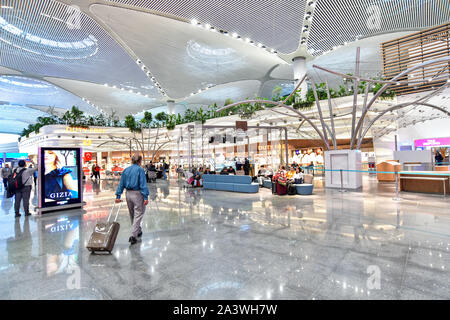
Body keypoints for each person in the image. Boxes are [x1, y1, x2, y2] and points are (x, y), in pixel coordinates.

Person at [115, 154, 149, 245]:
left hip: (128, 194)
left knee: (132, 214)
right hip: (137, 194)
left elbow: (121, 184)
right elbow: (143, 184)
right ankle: (133, 236)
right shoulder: (140, 170)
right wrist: (145, 197)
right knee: (138, 214)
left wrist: (118, 196)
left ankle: (138, 230)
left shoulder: (126, 170)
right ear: (140, 161)